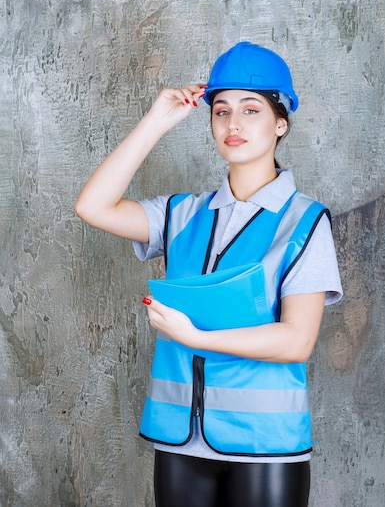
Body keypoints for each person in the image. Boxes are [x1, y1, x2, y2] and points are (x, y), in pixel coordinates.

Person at [75, 41, 342, 507]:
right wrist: (157, 120)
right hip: (179, 443)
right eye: (221, 111)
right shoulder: (181, 214)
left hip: (265, 448)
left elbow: (296, 340)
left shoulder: (305, 222)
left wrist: (196, 337)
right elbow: (92, 206)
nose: (233, 124)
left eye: (251, 109)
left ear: (281, 123)